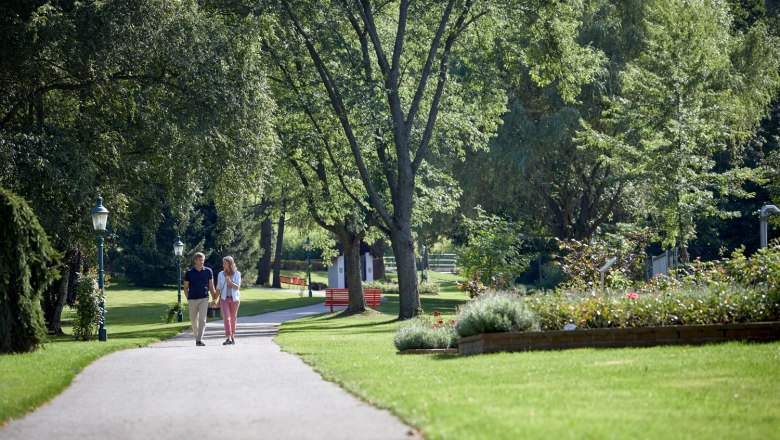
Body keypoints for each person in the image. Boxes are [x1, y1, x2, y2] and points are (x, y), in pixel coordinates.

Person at [183, 252, 216, 346]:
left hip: (204, 298)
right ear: (195, 261)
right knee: (193, 320)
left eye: (203, 260)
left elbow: (211, 285)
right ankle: (197, 337)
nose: (202, 262)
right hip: (192, 299)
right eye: (200, 260)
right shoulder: (189, 272)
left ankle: (199, 339)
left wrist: (214, 298)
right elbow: (185, 287)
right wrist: (188, 298)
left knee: (202, 319)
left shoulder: (208, 271)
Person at [215, 256, 241, 345]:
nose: (223, 265)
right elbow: (218, 287)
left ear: (230, 264)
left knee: (233, 318)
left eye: (225, 263)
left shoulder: (237, 274)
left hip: (234, 299)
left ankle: (233, 336)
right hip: (224, 299)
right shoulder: (221, 274)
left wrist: (230, 282)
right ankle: (228, 337)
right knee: (226, 317)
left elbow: (237, 287)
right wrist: (214, 299)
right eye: (223, 263)